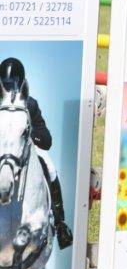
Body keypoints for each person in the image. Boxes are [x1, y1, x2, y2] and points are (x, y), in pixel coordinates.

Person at [0, 58, 74, 248]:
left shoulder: (30, 104)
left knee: (50, 168)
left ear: (21, 83)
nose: (10, 89)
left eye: (13, 84)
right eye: (6, 84)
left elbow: (46, 139)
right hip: (2, 149)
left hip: (23, 148)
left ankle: (59, 223)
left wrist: (26, 134)